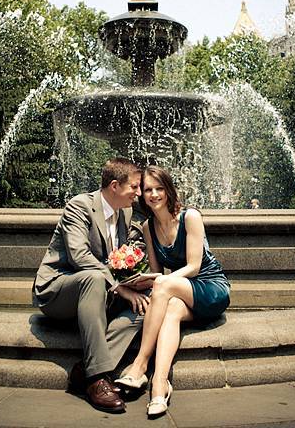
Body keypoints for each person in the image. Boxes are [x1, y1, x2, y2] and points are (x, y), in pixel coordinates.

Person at [33, 158, 150, 414]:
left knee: (149, 301)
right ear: (115, 186)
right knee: (94, 277)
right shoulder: (80, 206)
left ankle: (85, 370)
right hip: (60, 290)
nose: (139, 194)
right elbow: (79, 257)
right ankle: (97, 379)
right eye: (135, 187)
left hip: (99, 291)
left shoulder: (125, 213)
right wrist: (119, 288)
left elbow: (128, 250)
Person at [115, 165, 231, 417]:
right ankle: (160, 385)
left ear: (168, 190)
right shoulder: (147, 227)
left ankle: (139, 365)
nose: (153, 194)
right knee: (171, 313)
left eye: (158, 188)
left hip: (210, 286)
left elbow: (194, 266)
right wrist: (135, 282)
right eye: (147, 190)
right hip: (180, 292)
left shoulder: (190, 217)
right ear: (142, 195)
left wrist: (158, 280)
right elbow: (159, 274)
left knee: (163, 286)